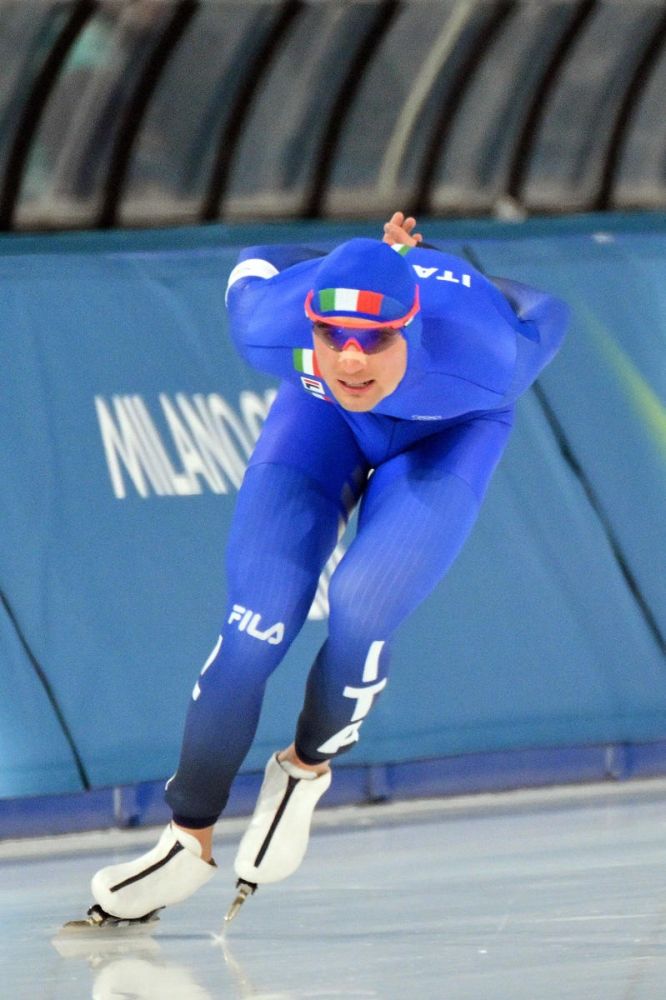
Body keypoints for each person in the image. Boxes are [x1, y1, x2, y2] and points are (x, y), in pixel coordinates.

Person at [81, 212, 568, 927]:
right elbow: (259, 254)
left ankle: (305, 768)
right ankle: (186, 839)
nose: (352, 361)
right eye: (332, 336)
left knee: (363, 605)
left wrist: (451, 271)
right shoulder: (267, 324)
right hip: (322, 420)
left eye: (376, 339)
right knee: (254, 628)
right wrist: (350, 257)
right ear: (308, 321)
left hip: (448, 435)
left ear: (411, 328)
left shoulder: (489, 352)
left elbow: (549, 310)